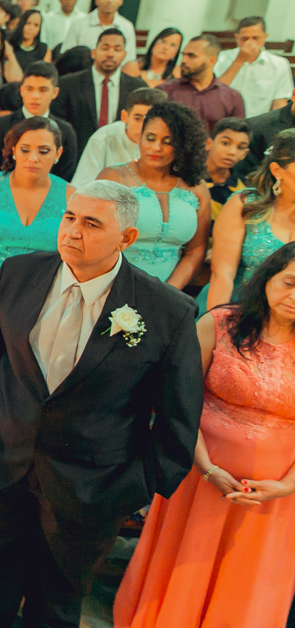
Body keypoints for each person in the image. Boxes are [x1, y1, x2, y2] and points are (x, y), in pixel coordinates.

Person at [0, 180, 203, 628]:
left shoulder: (167, 312)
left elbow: (178, 422)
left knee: (57, 607)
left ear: (127, 237)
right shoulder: (19, 272)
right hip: (0, 462)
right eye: (70, 217)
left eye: (91, 223)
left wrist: (128, 490)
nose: (72, 231)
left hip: (90, 489)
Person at [115, 242, 295, 628]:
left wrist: (286, 486)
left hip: (274, 497)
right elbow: (176, 400)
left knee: (247, 582)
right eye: (290, 283)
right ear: (268, 277)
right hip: (199, 476)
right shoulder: (221, 324)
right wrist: (206, 466)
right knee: (183, 569)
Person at [98, 102, 210, 288]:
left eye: (167, 142)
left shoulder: (196, 186)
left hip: (171, 292)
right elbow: (97, 240)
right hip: (113, 284)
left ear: (182, 145)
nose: (156, 147)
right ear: (140, 137)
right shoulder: (113, 177)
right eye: (150, 138)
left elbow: (196, 250)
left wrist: (168, 292)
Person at [0, 117, 72, 297]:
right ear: (14, 150)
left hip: (47, 297)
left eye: (43, 151)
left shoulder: (71, 197)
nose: (33, 158)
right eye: (25, 150)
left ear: (58, 153)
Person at [206, 129, 294, 311]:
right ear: (277, 170)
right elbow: (222, 275)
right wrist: (218, 323)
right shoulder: (244, 204)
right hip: (239, 310)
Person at [53, 28, 148, 156]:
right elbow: (58, 128)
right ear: (94, 53)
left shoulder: (137, 87)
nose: (110, 54)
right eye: (105, 48)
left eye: (117, 49)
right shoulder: (67, 84)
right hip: (76, 155)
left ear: (124, 55)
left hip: (121, 157)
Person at [0, 62, 79, 181]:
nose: (35, 96)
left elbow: (66, 178)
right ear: (21, 90)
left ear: (54, 93)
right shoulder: (0, 125)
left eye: (43, 90)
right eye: (29, 89)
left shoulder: (65, 131)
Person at [72, 87, 167, 187]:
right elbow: (82, 185)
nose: (143, 127)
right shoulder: (103, 138)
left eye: (150, 120)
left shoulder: (168, 143)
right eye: (137, 119)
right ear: (124, 116)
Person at [159, 34, 245, 136]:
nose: (183, 60)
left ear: (212, 60)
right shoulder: (165, 91)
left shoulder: (232, 97)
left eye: (191, 56)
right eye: (183, 55)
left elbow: (237, 137)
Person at [214, 16, 294, 118]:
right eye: (244, 39)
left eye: (255, 38)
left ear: (264, 37)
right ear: (236, 37)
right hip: (222, 119)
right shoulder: (221, 58)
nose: (250, 43)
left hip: (256, 122)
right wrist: (239, 61)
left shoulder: (279, 64)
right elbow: (214, 92)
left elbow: (279, 103)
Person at [62, 0, 137, 61]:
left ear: (121, 1)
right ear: (97, 0)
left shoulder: (126, 27)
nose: (109, 0)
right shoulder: (79, 25)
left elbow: (129, 60)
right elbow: (66, 56)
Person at [204, 117, 251, 219]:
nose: (232, 152)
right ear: (208, 143)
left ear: (244, 154)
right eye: (225, 143)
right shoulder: (188, 179)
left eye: (240, 148)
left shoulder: (244, 189)